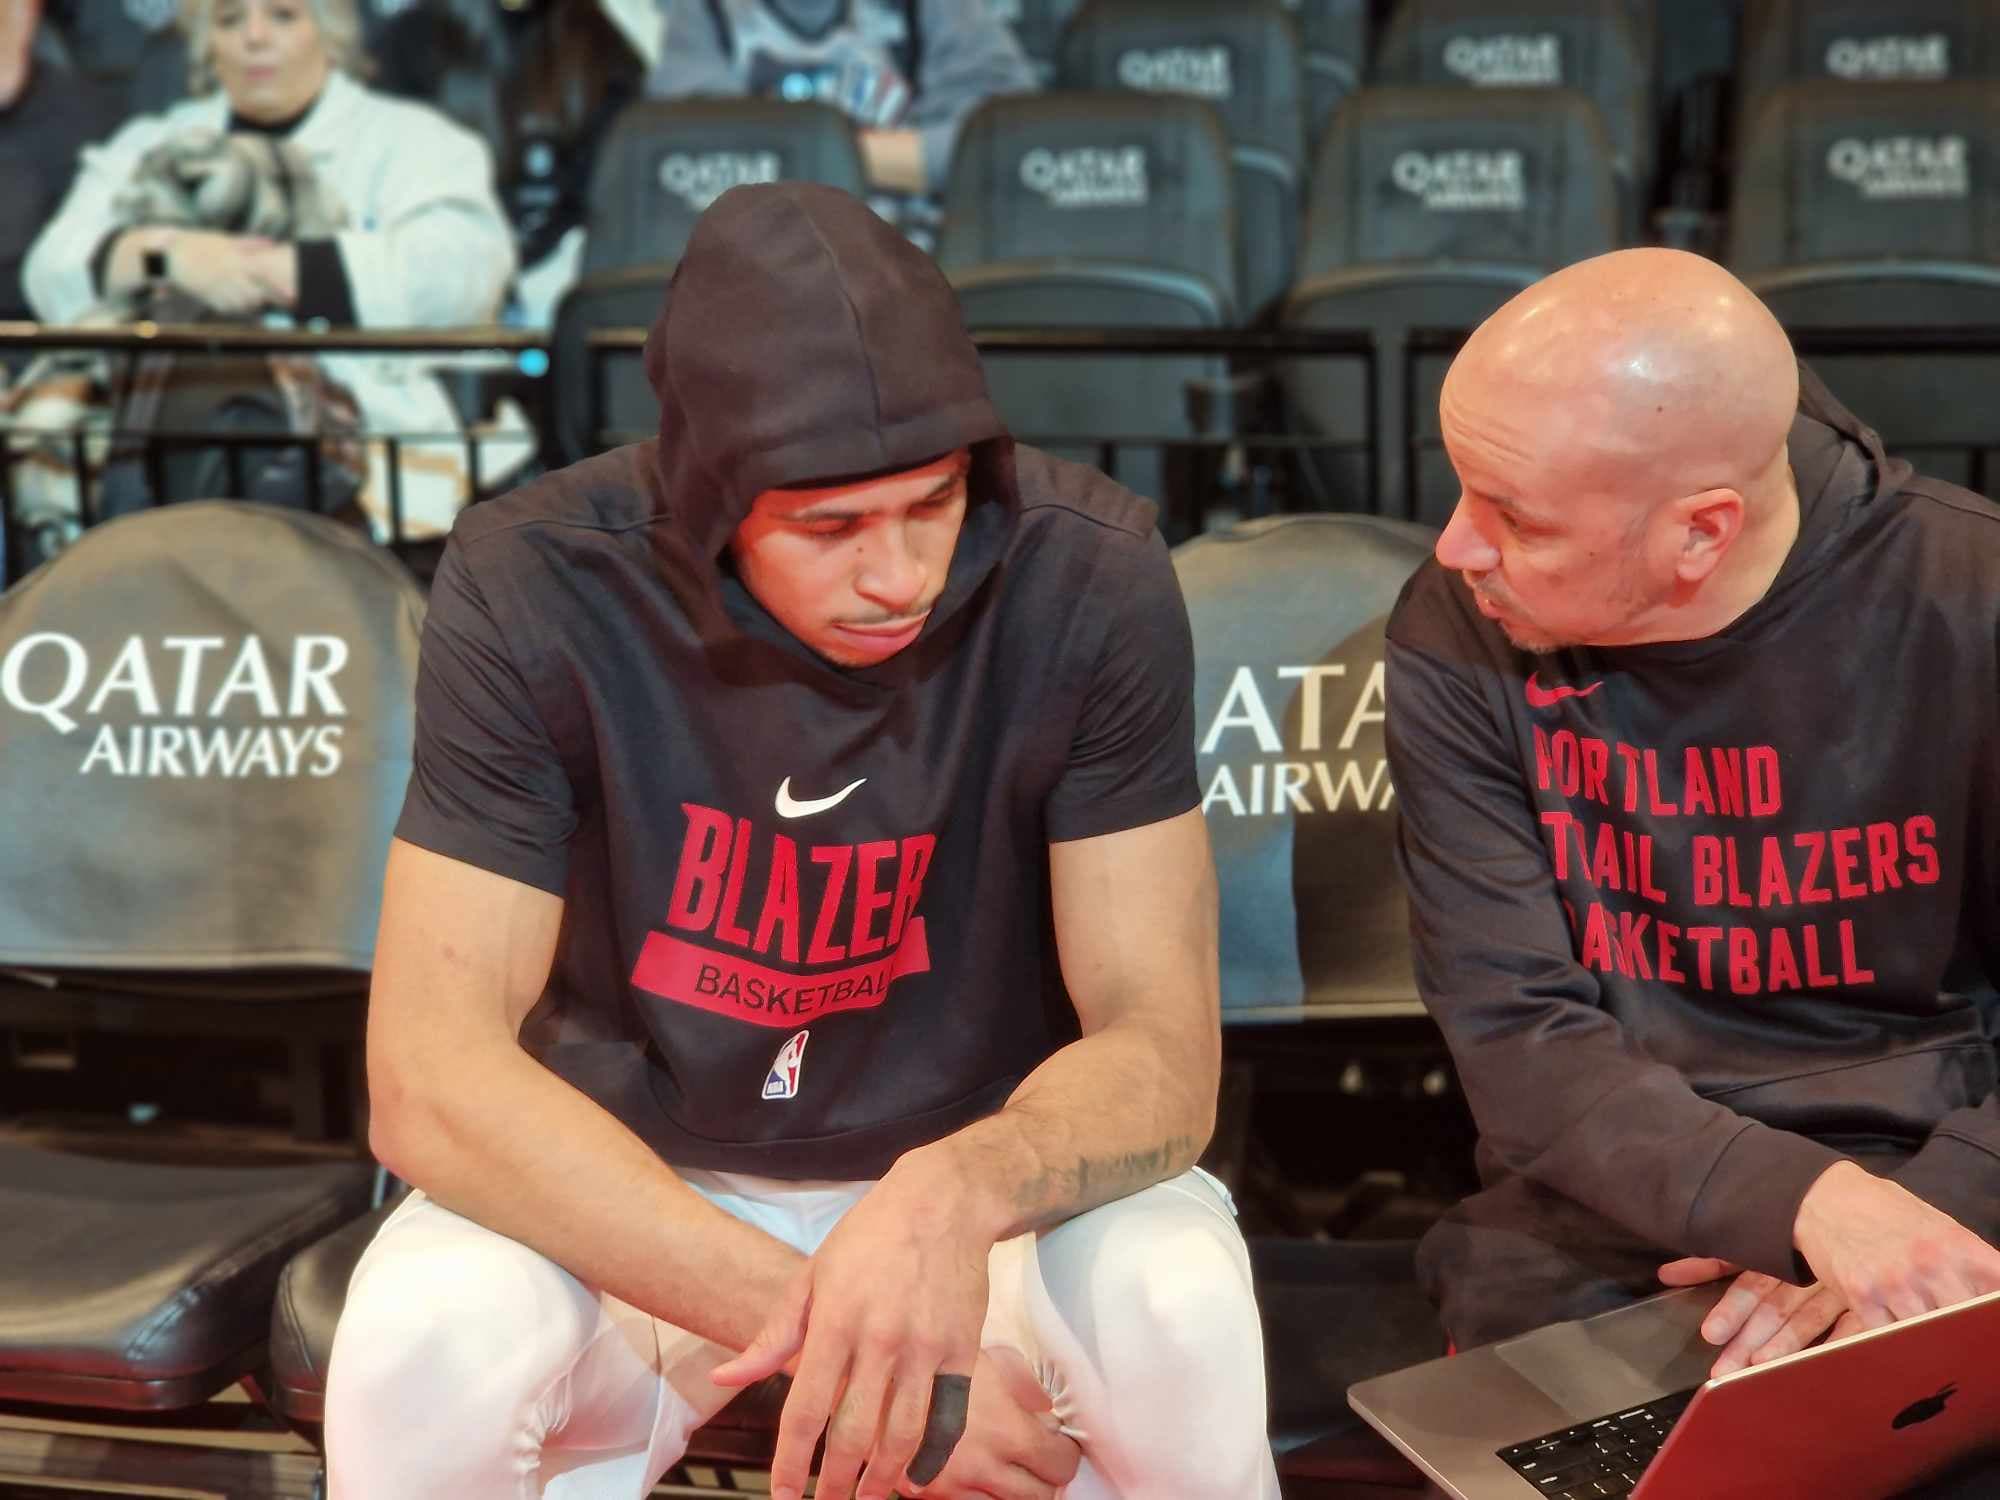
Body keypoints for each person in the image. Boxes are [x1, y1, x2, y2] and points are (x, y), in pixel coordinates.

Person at [322, 181, 1280, 1500]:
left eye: (933, 503)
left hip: (981, 1176)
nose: (899, 575)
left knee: (1180, 1308)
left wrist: (953, 1197)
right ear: (711, 505)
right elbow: (429, 1075)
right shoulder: (534, 579)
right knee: (415, 1346)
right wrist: (848, 1345)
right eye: (829, 528)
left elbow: (1161, 1049)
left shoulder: (1087, 572)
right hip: (639, 1180)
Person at [1385, 247, 2000, 1493]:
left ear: (1698, 531)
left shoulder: (1970, 601)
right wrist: (1804, 1209)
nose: (1455, 547)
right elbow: (1517, 1043)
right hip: (1609, 1204)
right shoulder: (1456, 631)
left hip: (1951, 1177)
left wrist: (1916, 1225)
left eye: (1513, 517)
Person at [21, 0, 520, 541]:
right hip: (151, 427)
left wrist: (267, 270)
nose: (254, 37)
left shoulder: (415, 140)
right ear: (207, 43)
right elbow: (52, 269)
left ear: (329, 34)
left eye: (283, 15)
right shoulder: (149, 141)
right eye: (230, 20)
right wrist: (173, 258)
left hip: (362, 446)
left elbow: (462, 273)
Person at [648, 0, 1036, 200]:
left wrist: (812, 160)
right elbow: (694, 159)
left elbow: (1004, 142)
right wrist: (893, 160)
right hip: (758, 264)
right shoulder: (705, 10)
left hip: (906, 261)